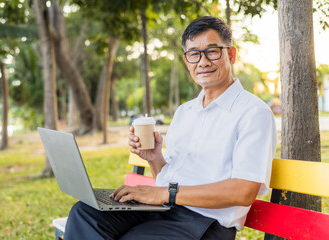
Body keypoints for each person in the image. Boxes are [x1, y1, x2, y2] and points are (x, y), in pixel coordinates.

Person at [64, 16, 277, 240]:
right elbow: (171, 177)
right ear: (187, 61)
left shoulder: (254, 113)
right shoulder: (185, 112)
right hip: (163, 208)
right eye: (194, 54)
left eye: (212, 51)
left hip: (206, 223)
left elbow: (243, 192)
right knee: (84, 214)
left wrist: (165, 193)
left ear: (230, 54)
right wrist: (154, 158)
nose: (203, 62)